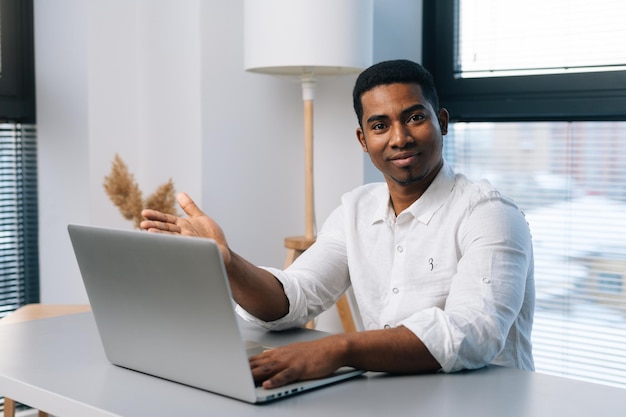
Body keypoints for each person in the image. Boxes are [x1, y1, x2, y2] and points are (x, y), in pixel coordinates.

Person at [140, 59, 535, 390]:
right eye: (380, 126)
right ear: (363, 140)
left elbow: (474, 332)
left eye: (414, 118)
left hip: (484, 402)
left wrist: (339, 349)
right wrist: (227, 264)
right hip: (388, 397)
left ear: (442, 122)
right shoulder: (355, 210)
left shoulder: (490, 212)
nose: (399, 138)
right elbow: (294, 298)